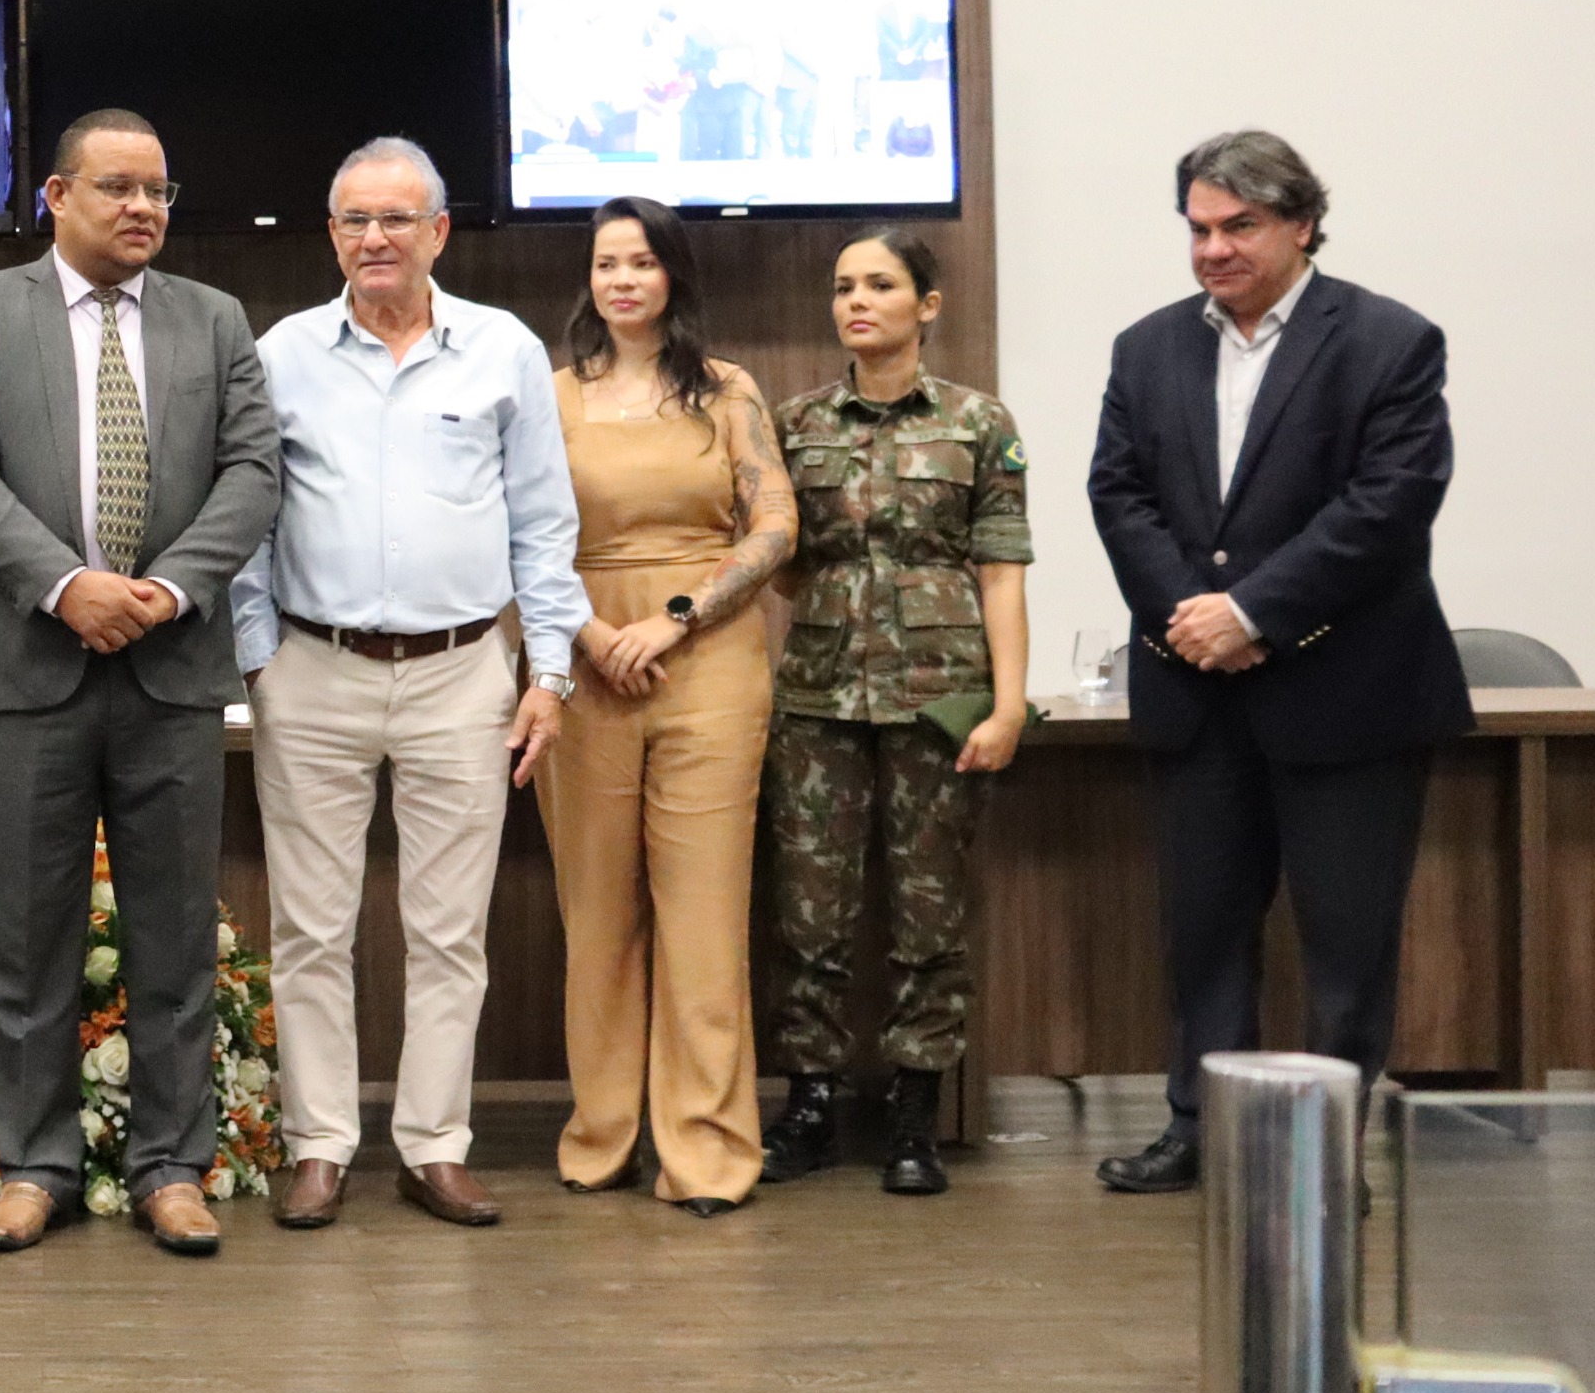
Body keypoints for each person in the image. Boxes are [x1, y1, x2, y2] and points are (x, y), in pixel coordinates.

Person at [1085, 131, 1468, 1194]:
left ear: (1301, 223)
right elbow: (1118, 495)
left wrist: (1252, 612)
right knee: (1202, 934)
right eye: (1198, 228)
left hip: (1347, 692)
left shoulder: (1389, 340)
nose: (1213, 248)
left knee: (1346, 946)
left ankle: (1323, 1154)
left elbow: (1387, 504)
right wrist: (1192, 616)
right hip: (1195, 692)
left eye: (1239, 225)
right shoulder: (1145, 347)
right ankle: (1197, 1129)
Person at [0, 109, 278, 1258]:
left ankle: (169, 1165)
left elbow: (252, 471)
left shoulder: (213, 318)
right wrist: (64, 584)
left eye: (157, 191)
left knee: (172, 933)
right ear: (56, 195)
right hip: (29, 662)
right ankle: (33, 1166)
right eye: (117, 187)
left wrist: (165, 590)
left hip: (171, 666)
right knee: (29, 935)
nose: (141, 208)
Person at [228, 137, 587, 1234]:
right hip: (312, 669)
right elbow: (246, 514)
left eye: (395, 219)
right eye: (353, 219)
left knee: (448, 931)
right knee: (308, 928)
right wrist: (258, 654)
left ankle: (435, 1146)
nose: (373, 238)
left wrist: (550, 670)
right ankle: (319, 1146)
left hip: (463, 673)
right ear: (331, 234)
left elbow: (543, 522)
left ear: (438, 231)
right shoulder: (281, 353)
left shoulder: (504, 349)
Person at [531, 197, 794, 1216]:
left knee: (703, 915)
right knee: (596, 913)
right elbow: (517, 532)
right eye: (606, 263)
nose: (623, 279)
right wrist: (593, 635)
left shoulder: (727, 390)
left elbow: (774, 527)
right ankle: (601, 1134)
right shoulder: (548, 393)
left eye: (641, 261)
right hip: (583, 661)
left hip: (708, 661)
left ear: (672, 273)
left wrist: (676, 618)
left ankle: (707, 1150)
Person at [759, 224, 1032, 1197]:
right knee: (808, 915)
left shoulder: (976, 422)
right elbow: (777, 559)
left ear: (927, 304)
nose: (856, 302)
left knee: (929, 915)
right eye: (843, 286)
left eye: (879, 284)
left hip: (938, 700)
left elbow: (1000, 572)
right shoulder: (794, 423)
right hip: (818, 698)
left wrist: (1006, 706)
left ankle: (915, 1113)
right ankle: (811, 1104)